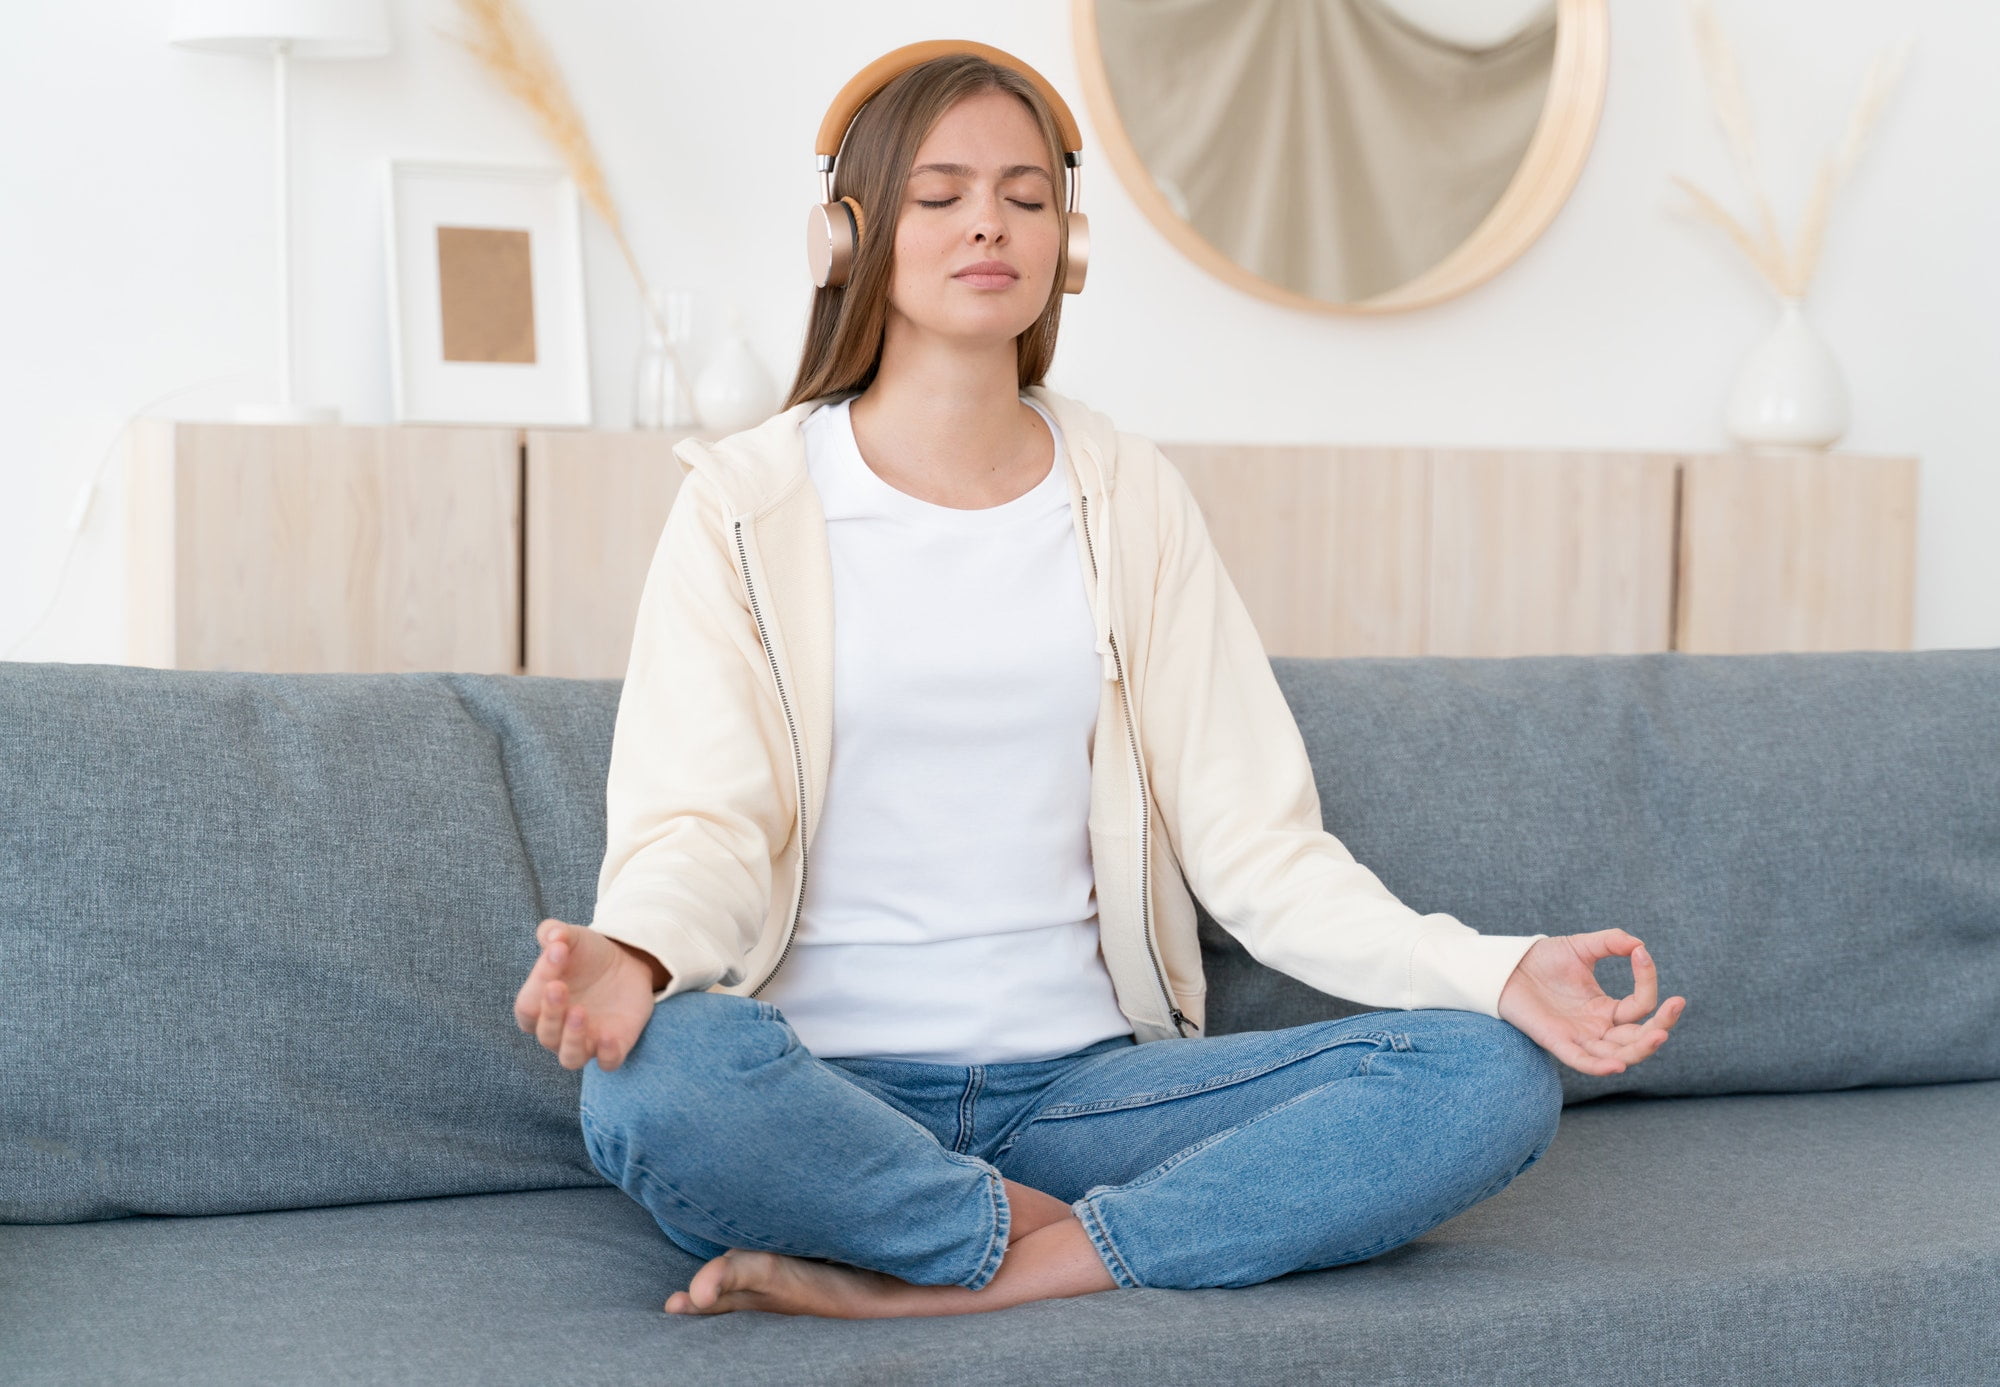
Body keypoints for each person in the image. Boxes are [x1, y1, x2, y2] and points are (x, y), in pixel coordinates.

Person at [512, 45, 1685, 1321]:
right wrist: (633, 950)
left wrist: (1492, 970)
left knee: (1484, 1077)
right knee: (656, 1083)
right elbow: (704, 823)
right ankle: (1077, 1233)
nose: (986, 225)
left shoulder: (1129, 499)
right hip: (823, 1089)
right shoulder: (743, 508)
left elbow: (1259, 848)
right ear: (845, 235)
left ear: (1064, 245)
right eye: (940, 192)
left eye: (1023, 196)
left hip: (1085, 1095)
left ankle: (977, 1270)